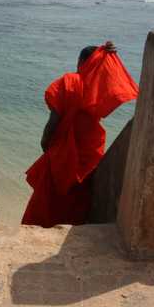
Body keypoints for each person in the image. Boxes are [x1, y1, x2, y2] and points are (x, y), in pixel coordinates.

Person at [21, 41, 139, 228]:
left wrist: (45, 142)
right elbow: (115, 83)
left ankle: (41, 227)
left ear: (80, 62)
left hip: (61, 152)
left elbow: (54, 119)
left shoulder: (69, 83)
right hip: (88, 151)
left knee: (50, 196)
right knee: (79, 194)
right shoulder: (97, 89)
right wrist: (108, 58)